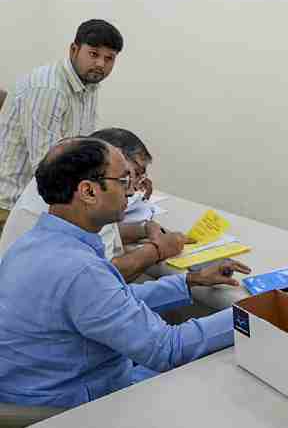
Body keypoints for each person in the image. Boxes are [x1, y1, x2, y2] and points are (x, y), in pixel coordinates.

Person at [0, 138, 250, 408]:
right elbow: (168, 349)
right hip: (71, 406)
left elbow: (110, 299)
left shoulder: (32, 243)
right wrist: (255, 313)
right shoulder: (80, 271)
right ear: (88, 191)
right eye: (123, 180)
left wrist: (189, 281)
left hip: (37, 389)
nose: (131, 191)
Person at [0, 129, 187, 282]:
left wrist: (144, 229)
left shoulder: (63, 177)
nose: (132, 189)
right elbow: (103, 278)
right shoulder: (83, 197)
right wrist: (158, 249)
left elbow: (90, 238)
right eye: (131, 174)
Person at [0, 19, 123, 235]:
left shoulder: (88, 84)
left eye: (109, 58)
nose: (101, 64)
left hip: (46, 196)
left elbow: (86, 147)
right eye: (94, 54)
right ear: (74, 49)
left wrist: (123, 174)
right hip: (14, 204)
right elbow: (46, 165)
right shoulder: (49, 89)